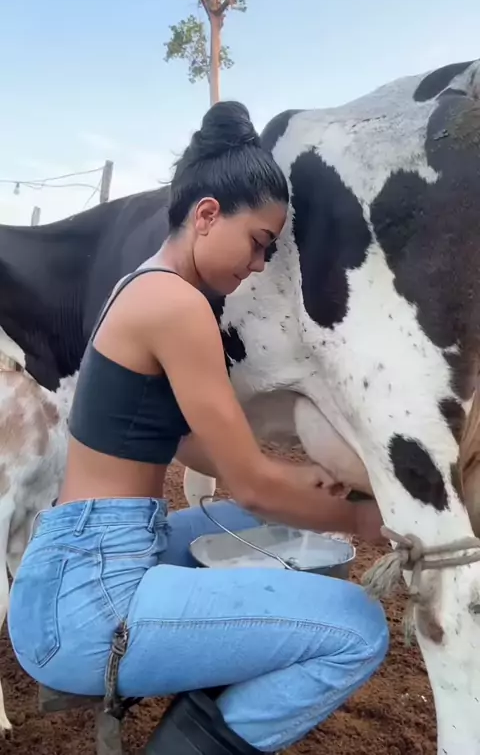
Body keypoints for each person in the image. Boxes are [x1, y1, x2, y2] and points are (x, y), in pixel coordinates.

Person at [8, 101, 389, 755]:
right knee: (359, 630)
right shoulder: (177, 305)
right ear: (208, 215)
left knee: (273, 530)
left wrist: (302, 478)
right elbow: (251, 483)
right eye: (259, 243)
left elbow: (184, 441)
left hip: (85, 555)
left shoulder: (140, 286)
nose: (260, 264)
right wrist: (367, 519)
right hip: (87, 599)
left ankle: (206, 683)